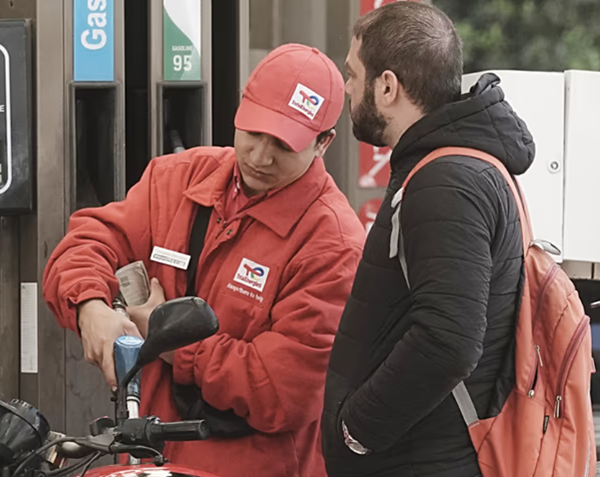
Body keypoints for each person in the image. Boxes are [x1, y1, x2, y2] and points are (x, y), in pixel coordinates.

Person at [43, 43, 365, 477]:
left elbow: (281, 391)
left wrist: (171, 340)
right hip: (148, 459)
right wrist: (90, 307)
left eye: (283, 145)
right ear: (239, 111)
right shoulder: (178, 179)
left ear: (323, 143)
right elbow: (88, 241)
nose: (259, 156)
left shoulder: (334, 244)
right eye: (254, 132)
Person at [322, 3, 535, 477]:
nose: (348, 88)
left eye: (353, 75)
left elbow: (448, 341)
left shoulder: (445, 183)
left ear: (388, 86)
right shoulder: (455, 167)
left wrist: (358, 431)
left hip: (423, 460)